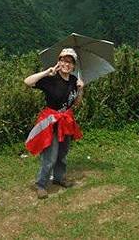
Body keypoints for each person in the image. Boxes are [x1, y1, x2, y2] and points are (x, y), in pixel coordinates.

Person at [23, 48, 85, 199]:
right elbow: (27, 81)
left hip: (66, 122)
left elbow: (76, 103)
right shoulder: (51, 78)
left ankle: (59, 178)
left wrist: (81, 89)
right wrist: (46, 72)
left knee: (62, 154)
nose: (66, 64)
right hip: (50, 121)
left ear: (74, 66)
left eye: (70, 62)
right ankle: (41, 184)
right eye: (63, 60)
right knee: (50, 156)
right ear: (59, 61)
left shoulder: (73, 81)